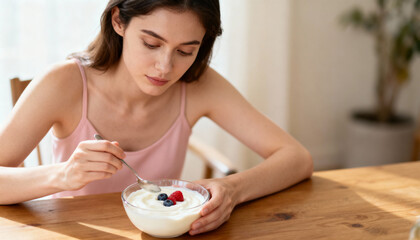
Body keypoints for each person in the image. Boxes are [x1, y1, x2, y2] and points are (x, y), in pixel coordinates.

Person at [0, 0, 313, 235]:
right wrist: (63, 175)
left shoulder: (200, 85)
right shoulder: (63, 83)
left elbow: (297, 158)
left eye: (185, 51)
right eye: (151, 43)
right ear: (118, 21)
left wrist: (232, 189)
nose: (165, 67)